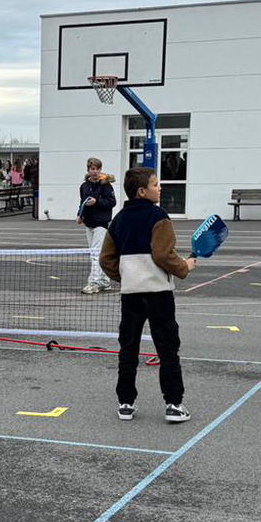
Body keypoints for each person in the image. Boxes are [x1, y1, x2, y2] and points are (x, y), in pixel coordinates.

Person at [99, 166, 195, 423]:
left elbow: (106, 260)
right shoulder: (159, 216)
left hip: (131, 294)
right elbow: (164, 254)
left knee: (128, 348)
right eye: (155, 184)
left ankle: (126, 403)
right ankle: (174, 404)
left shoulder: (118, 220)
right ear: (142, 191)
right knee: (168, 348)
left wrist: (126, 276)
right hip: (158, 294)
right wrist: (184, 266)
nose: (160, 188)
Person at [77, 158, 117, 294]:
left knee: (95, 253)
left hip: (101, 224)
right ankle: (105, 282)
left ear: (101, 170)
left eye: (97, 169)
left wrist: (97, 202)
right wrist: (80, 214)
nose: (95, 171)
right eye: (92, 169)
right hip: (89, 223)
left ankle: (93, 282)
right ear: (88, 170)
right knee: (96, 253)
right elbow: (82, 201)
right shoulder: (84, 186)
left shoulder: (106, 185)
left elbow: (112, 202)